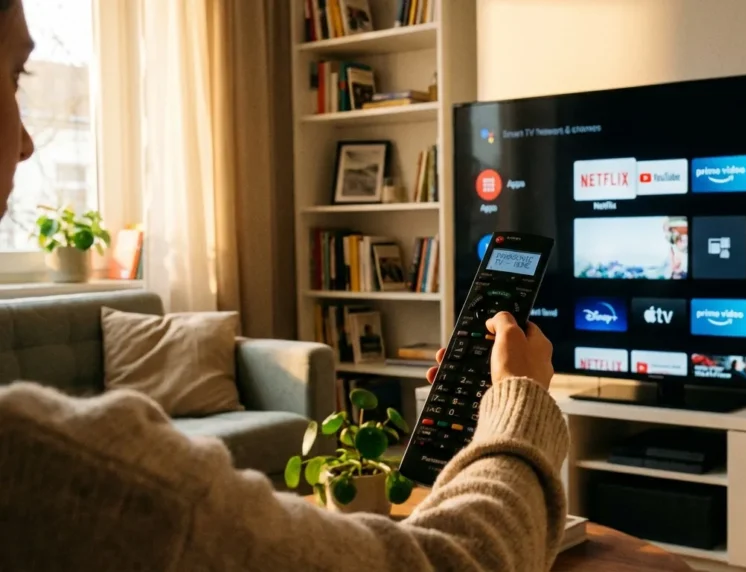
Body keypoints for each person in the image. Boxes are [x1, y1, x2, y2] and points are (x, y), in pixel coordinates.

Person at [0, 1, 568, 570]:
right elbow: (460, 562)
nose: (27, 144)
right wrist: (520, 396)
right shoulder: (49, 464)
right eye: (15, 76)